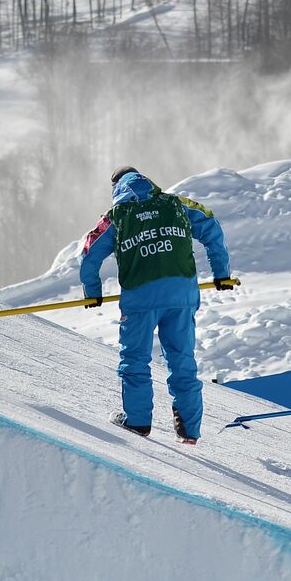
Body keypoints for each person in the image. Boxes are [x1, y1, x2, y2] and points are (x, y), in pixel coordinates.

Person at [80, 166, 236, 443]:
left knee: (135, 360)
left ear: (116, 188)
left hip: (140, 299)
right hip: (181, 295)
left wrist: (92, 292)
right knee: (182, 360)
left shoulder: (116, 216)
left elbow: (90, 253)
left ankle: (138, 422)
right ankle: (189, 430)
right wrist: (221, 274)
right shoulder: (176, 204)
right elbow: (211, 226)